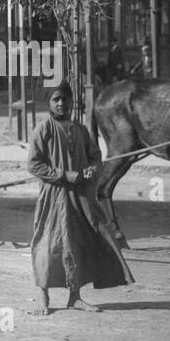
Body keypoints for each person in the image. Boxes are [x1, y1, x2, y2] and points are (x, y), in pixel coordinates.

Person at [26, 82, 132, 316]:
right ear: (49, 103)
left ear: (72, 102)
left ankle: (75, 297)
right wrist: (64, 175)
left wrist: (92, 170)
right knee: (47, 246)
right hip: (53, 198)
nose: (61, 103)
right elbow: (34, 164)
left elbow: (96, 157)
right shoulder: (43, 129)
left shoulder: (81, 130)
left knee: (78, 244)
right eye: (56, 100)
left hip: (80, 199)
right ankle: (43, 296)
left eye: (65, 99)